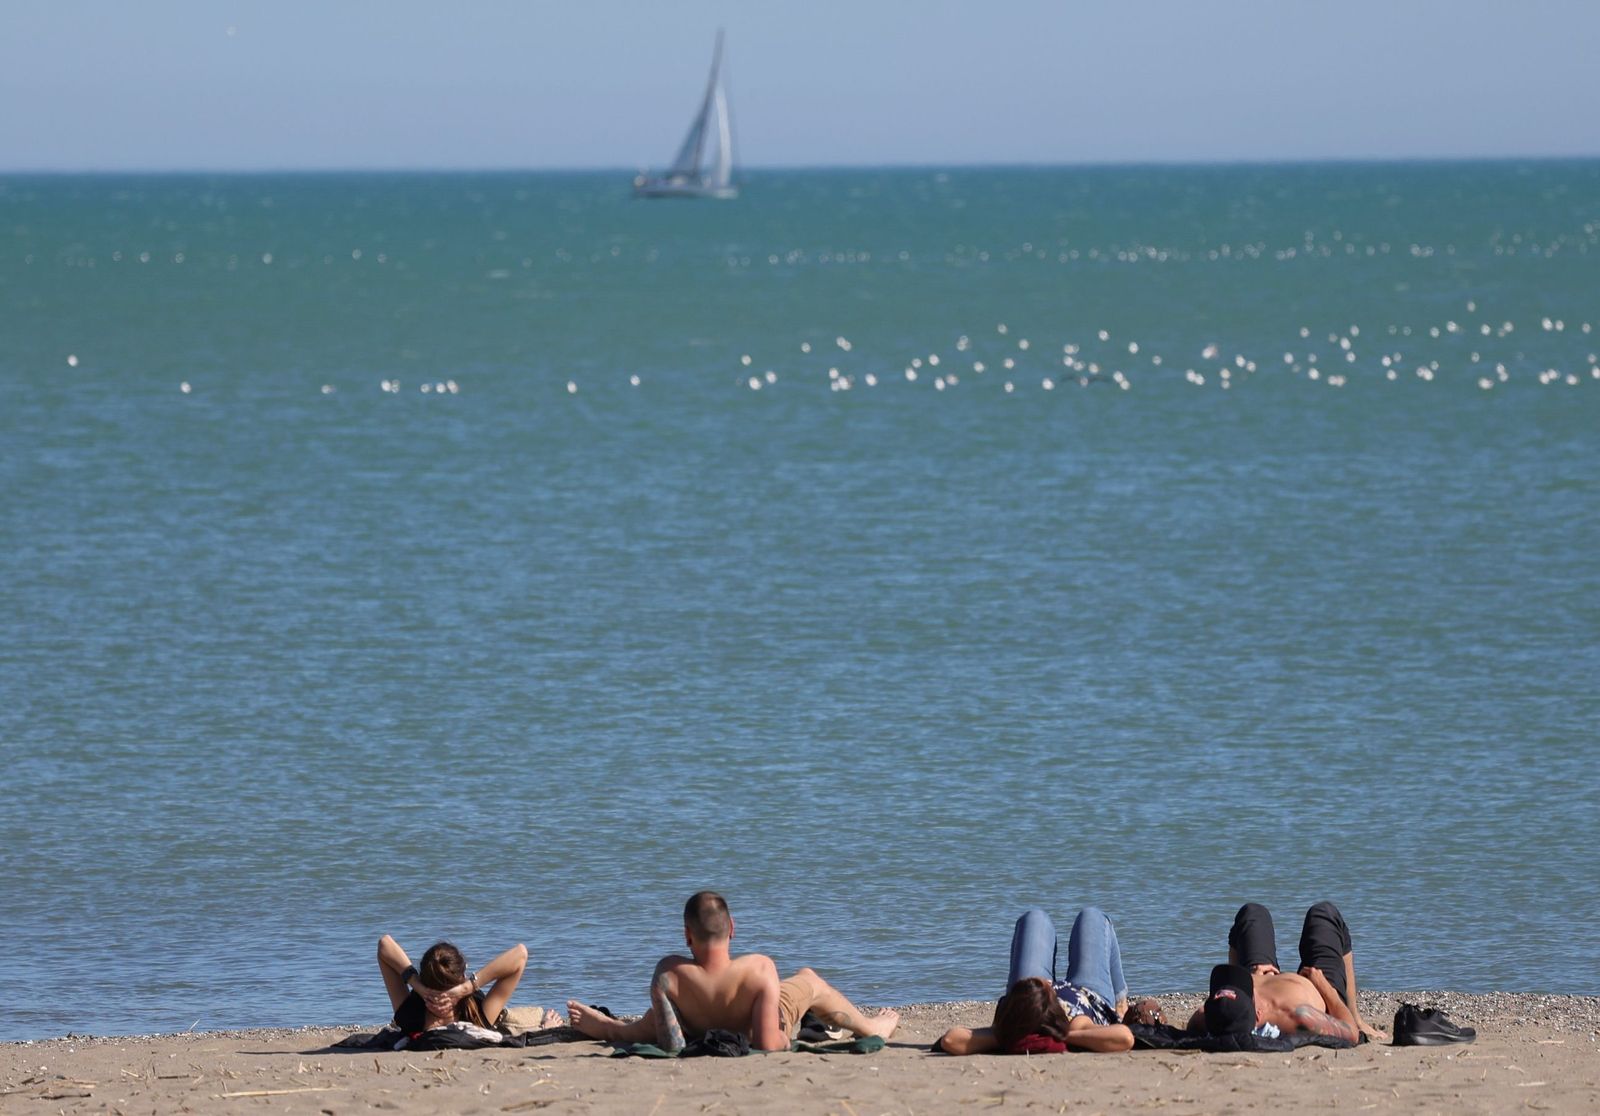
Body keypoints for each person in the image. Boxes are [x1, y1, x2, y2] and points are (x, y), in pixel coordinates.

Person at [565, 891, 900, 1052]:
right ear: (733, 928)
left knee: (645, 1026)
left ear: (687, 936)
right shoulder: (759, 968)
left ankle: (610, 1028)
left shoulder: (669, 973)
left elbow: (671, 1046)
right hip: (754, 1023)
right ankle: (872, 1026)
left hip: (694, 1021)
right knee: (809, 980)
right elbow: (769, 1044)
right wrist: (786, 1038)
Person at [937, 907, 1138, 1055]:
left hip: (1029, 1002)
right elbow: (1124, 1038)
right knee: (1092, 916)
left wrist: (1013, 1035)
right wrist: (1059, 1034)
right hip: (1089, 994)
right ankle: (1120, 1004)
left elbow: (951, 1039)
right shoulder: (1077, 1025)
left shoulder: (1009, 1027)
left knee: (1034, 917)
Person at [1187, 902, 1387, 1043]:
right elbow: (1350, 1033)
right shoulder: (1299, 1016)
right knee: (1324, 913)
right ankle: (1358, 1016)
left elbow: (1197, 1024)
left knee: (1252, 913)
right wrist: (1324, 986)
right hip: (1319, 987)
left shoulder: (1209, 1015)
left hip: (1266, 973)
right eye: (1247, 990)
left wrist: (1251, 975)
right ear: (1258, 1014)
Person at [377, 934, 557, 1034]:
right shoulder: (476, 1015)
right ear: (462, 975)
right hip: (503, 1018)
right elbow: (520, 954)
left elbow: (385, 944)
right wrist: (468, 987)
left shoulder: (411, 1015)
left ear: (424, 978)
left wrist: (418, 986)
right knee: (522, 1018)